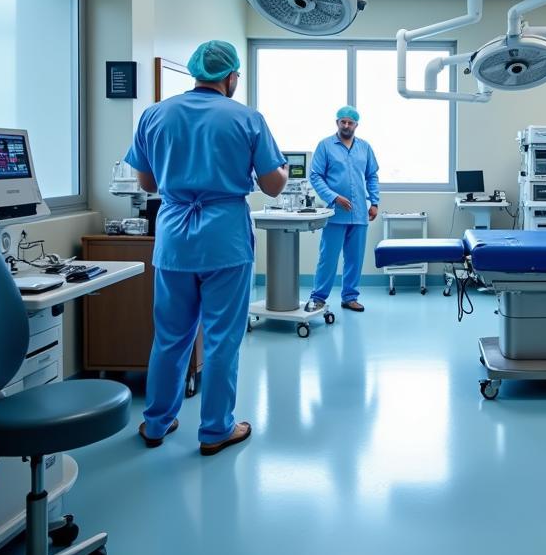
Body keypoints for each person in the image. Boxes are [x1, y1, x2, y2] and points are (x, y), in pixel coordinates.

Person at [125, 40, 288, 456]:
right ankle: (216, 429)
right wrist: (281, 170)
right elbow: (272, 186)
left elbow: (147, 184)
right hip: (224, 239)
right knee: (220, 340)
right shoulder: (247, 119)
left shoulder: (155, 114)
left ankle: (156, 422)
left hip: (175, 237)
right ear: (231, 76)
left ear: (196, 72)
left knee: (170, 337)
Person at [306, 106, 380, 313]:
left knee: (355, 259)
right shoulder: (325, 146)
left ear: (356, 124)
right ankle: (318, 298)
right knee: (328, 258)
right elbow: (315, 176)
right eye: (343, 122)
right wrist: (334, 197)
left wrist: (374, 202)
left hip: (359, 214)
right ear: (337, 122)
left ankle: (350, 297)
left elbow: (372, 175)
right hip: (335, 214)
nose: (346, 125)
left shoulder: (365, 148)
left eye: (350, 122)